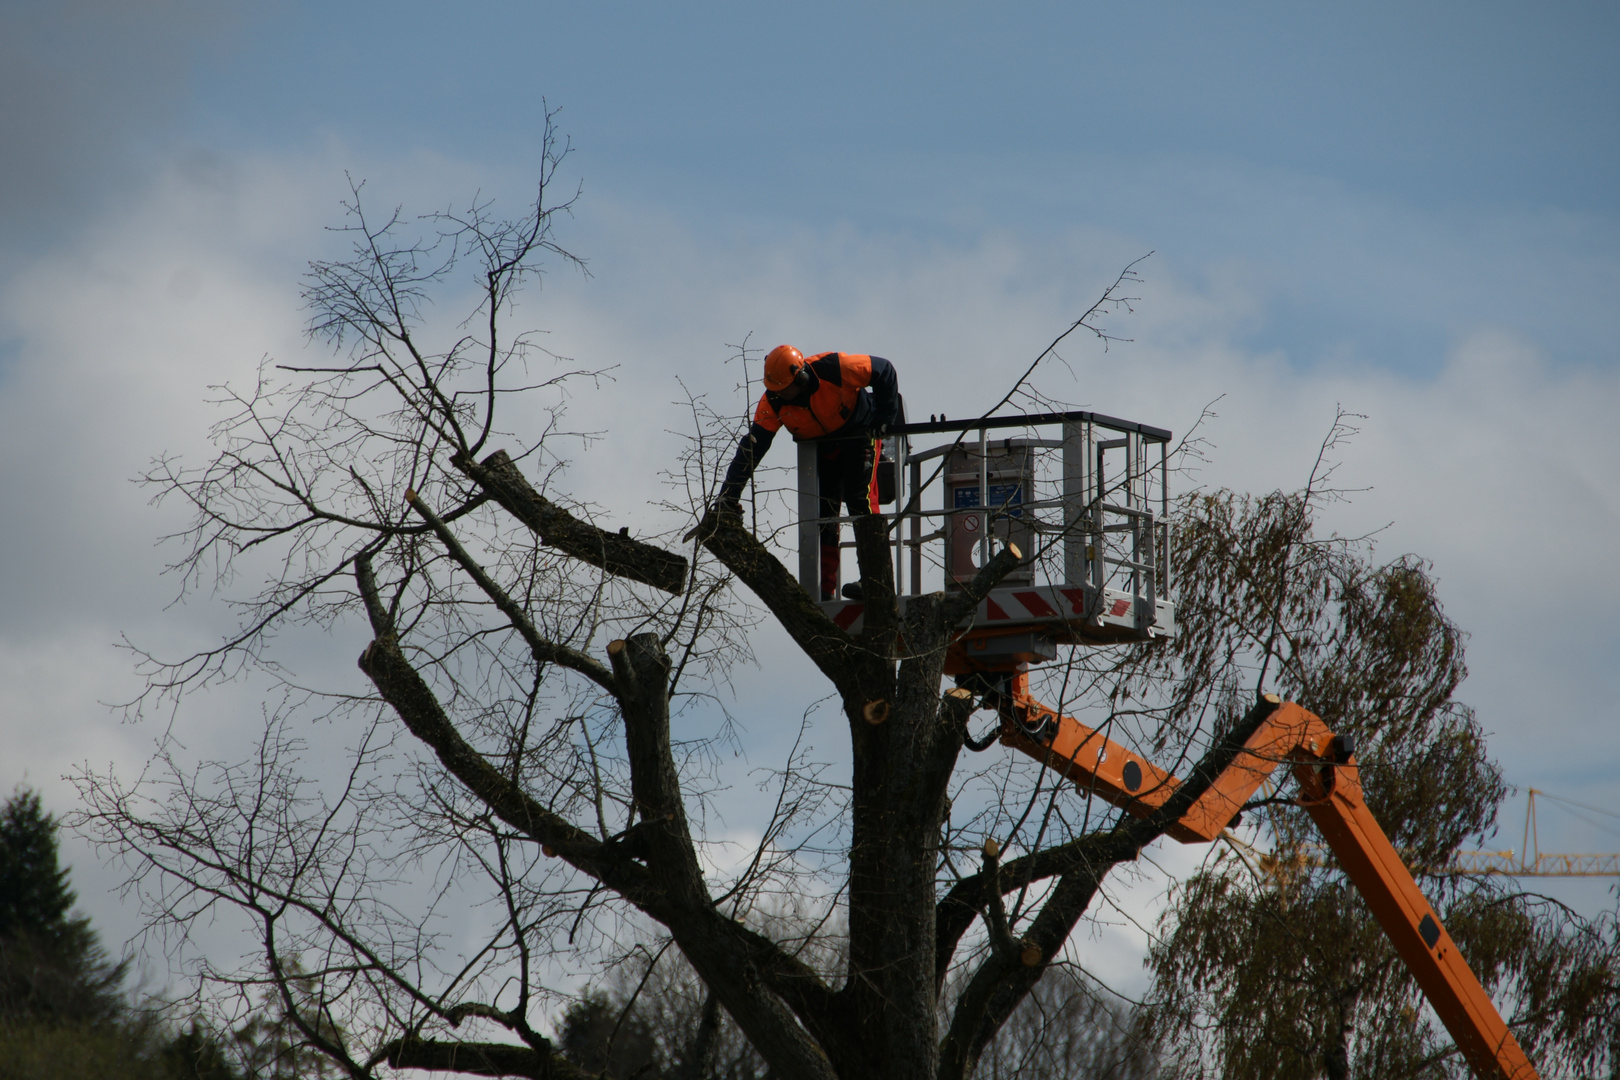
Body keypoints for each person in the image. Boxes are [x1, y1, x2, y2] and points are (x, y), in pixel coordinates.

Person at [717, 345, 900, 600]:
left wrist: (885, 417)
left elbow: (884, 370)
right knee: (824, 512)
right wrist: (728, 496)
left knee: (861, 501)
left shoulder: (834, 368)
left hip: (859, 433)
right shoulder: (772, 400)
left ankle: (874, 580)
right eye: (776, 390)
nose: (782, 395)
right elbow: (751, 449)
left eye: (785, 389)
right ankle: (825, 589)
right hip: (821, 445)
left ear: (800, 376)